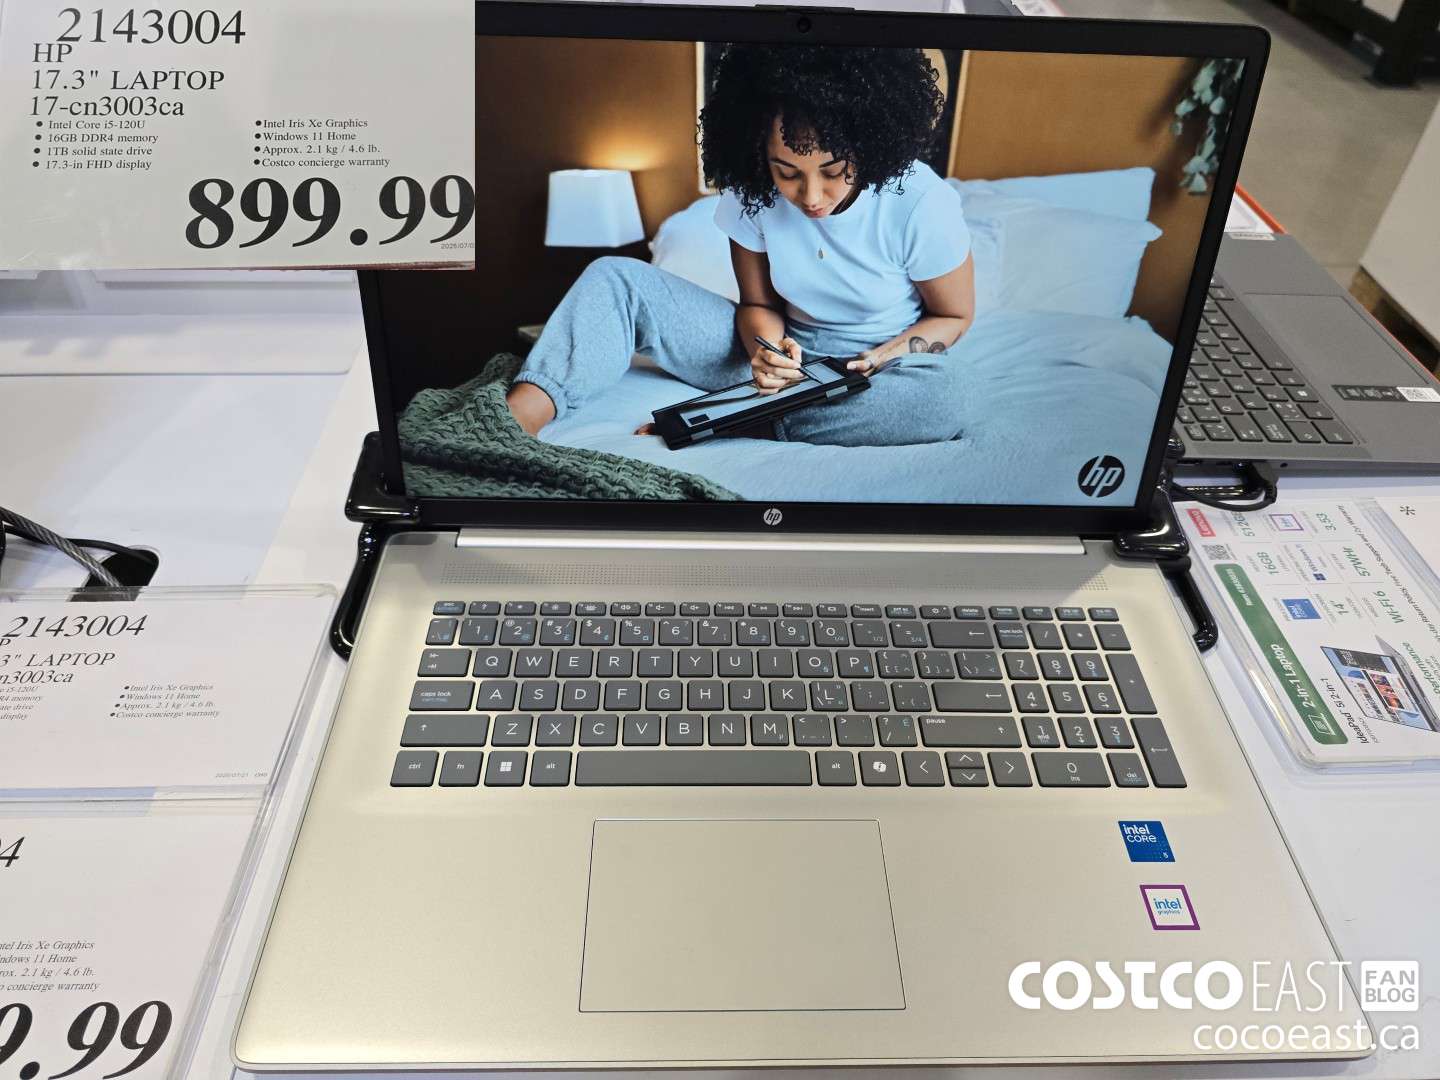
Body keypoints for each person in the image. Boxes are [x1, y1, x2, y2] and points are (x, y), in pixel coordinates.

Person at [506, 42, 976, 447]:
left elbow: (953, 316)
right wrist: (768, 356)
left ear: (869, 146)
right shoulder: (752, 190)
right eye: (787, 173)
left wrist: (881, 358)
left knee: (948, 396)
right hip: (777, 355)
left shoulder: (920, 201)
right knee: (615, 278)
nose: (811, 197)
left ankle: (741, 420)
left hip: (877, 367)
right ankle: (513, 419)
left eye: (833, 171)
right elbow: (757, 304)